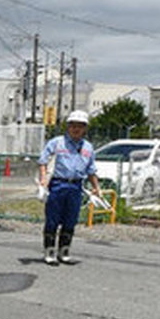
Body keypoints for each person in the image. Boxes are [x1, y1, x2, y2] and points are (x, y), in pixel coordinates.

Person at [37, 110, 102, 265]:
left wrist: (96, 187)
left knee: (70, 220)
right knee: (52, 219)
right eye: (73, 125)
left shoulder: (88, 148)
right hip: (58, 184)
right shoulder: (57, 143)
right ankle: (49, 252)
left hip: (76, 186)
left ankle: (64, 251)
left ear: (85, 128)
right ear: (68, 126)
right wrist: (44, 179)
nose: (76, 129)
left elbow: (91, 170)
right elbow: (43, 161)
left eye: (80, 126)